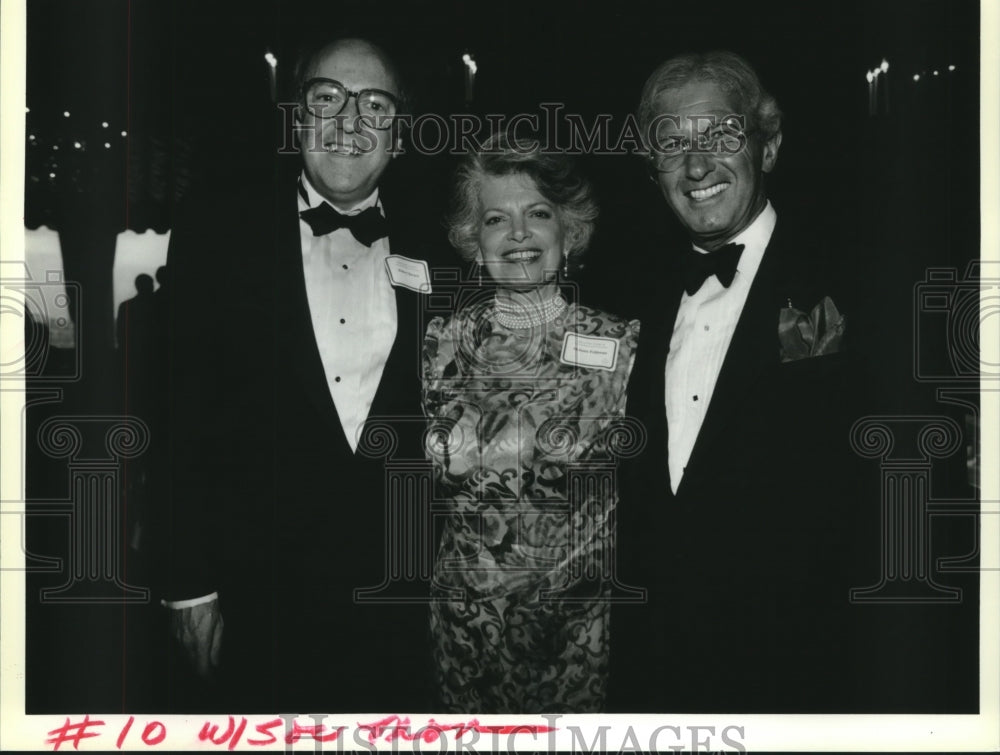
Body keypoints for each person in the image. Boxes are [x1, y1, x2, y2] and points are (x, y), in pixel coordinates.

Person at [160, 37, 447, 711]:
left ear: (399, 134)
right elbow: (172, 410)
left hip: (404, 610)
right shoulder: (217, 227)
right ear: (297, 119)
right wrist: (187, 586)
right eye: (328, 98)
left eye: (374, 104)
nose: (350, 122)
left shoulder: (443, 242)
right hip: (258, 601)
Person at [611, 51, 863, 712]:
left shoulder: (858, 283)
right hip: (655, 669)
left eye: (721, 136)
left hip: (796, 669)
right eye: (672, 144)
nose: (696, 166)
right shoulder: (627, 300)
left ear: (769, 145)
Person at [421, 134, 640, 713]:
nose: (518, 233)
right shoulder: (436, 344)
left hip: (571, 644)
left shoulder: (621, 344)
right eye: (497, 218)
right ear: (474, 241)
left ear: (569, 232)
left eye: (538, 213)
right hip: (463, 637)